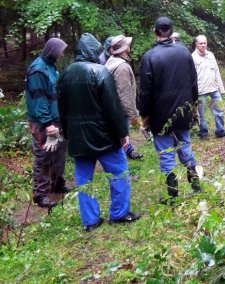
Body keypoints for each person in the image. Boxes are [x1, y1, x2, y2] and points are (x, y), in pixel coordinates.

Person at [57, 33, 140, 231]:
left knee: (84, 181)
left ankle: (90, 221)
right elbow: (112, 108)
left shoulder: (64, 74)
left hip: (78, 138)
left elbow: (61, 109)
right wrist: (122, 133)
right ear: (93, 51)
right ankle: (119, 213)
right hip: (104, 137)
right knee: (119, 172)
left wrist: (67, 133)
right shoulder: (100, 72)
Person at [139, 17, 203, 200]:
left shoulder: (149, 57)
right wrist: (194, 108)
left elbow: (145, 92)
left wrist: (144, 117)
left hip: (160, 117)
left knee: (167, 155)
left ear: (155, 31)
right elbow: (193, 84)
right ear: (171, 30)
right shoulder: (184, 52)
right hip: (183, 112)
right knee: (185, 148)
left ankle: (173, 196)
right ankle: (197, 187)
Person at [25, 37, 69, 209]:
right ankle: (40, 194)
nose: (63, 53)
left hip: (56, 119)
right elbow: (38, 98)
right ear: (53, 51)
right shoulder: (38, 70)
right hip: (44, 123)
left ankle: (57, 185)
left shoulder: (51, 66)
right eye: (61, 50)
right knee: (43, 157)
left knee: (58, 153)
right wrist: (47, 123)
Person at [105, 35, 143, 160]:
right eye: (128, 45)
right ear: (125, 49)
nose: (130, 47)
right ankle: (122, 172)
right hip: (120, 112)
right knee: (122, 140)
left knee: (119, 140)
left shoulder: (112, 62)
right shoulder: (122, 67)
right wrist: (133, 115)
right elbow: (124, 94)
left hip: (113, 110)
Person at [191, 35, 225, 139]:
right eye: (201, 43)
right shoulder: (192, 58)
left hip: (214, 89)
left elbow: (217, 72)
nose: (203, 45)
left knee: (220, 111)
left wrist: (221, 89)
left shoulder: (211, 55)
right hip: (201, 91)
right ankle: (204, 133)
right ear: (196, 44)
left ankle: (221, 131)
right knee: (201, 115)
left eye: (205, 43)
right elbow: (191, 78)